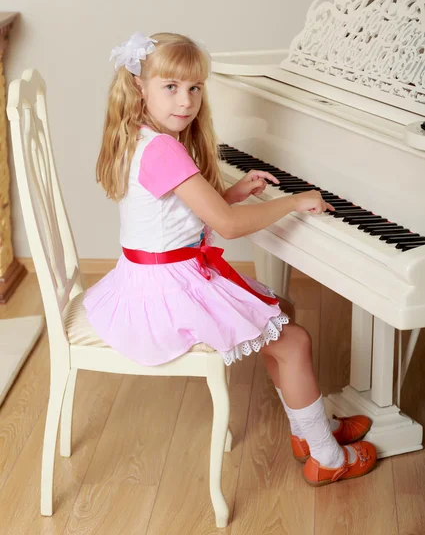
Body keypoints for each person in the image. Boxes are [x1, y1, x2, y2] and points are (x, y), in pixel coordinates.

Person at [84, 31, 377, 485]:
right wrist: (295, 202)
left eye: (195, 88)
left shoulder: (140, 136)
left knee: (282, 312)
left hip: (153, 277)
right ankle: (328, 458)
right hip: (170, 289)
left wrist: (234, 192)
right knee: (295, 340)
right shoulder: (164, 148)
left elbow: (180, 209)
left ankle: (308, 429)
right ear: (140, 86)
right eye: (172, 88)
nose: (186, 102)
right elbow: (230, 226)